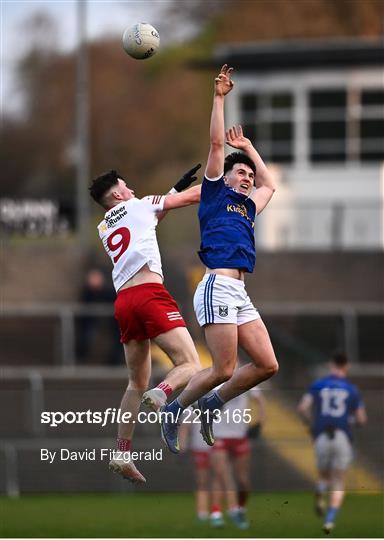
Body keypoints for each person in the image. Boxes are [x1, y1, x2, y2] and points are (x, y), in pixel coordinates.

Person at [160, 64, 278, 453]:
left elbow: (270, 184)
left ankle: (213, 402)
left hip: (239, 292)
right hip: (216, 287)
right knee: (223, 368)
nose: (246, 177)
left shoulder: (248, 207)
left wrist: (248, 149)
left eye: (248, 174)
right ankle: (175, 409)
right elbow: (215, 146)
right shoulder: (214, 195)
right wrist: (219, 97)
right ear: (225, 178)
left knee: (266, 365)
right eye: (239, 173)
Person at [89, 165, 202, 483]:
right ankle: (164, 392)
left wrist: (173, 190)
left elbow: (146, 220)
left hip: (124, 302)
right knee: (190, 363)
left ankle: (121, 453)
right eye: (127, 186)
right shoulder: (138, 206)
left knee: (134, 384)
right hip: (150, 294)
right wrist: (222, 188)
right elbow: (191, 199)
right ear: (117, 194)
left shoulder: (104, 226)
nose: (133, 189)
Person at [297, 352, 367, 534]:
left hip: (321, 435)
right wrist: (351, 420)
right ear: (346, 366)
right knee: (338, 481)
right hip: (342, 436)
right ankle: (329, 521)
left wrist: (312, 424)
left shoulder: (318, 385)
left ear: (331, 364)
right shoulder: (352, 389)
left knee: (323, 477)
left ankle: (320, 490)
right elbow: (361, 419)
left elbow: (302, 408)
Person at [209, 385, 265, 529]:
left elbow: (260, 400)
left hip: (240, 437)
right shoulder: (214, 382)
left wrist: (260, 422)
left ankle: (240, 509)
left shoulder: (246, 381)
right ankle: (216, 514)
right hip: (219, 436)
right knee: (220, 476)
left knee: (243, 480)